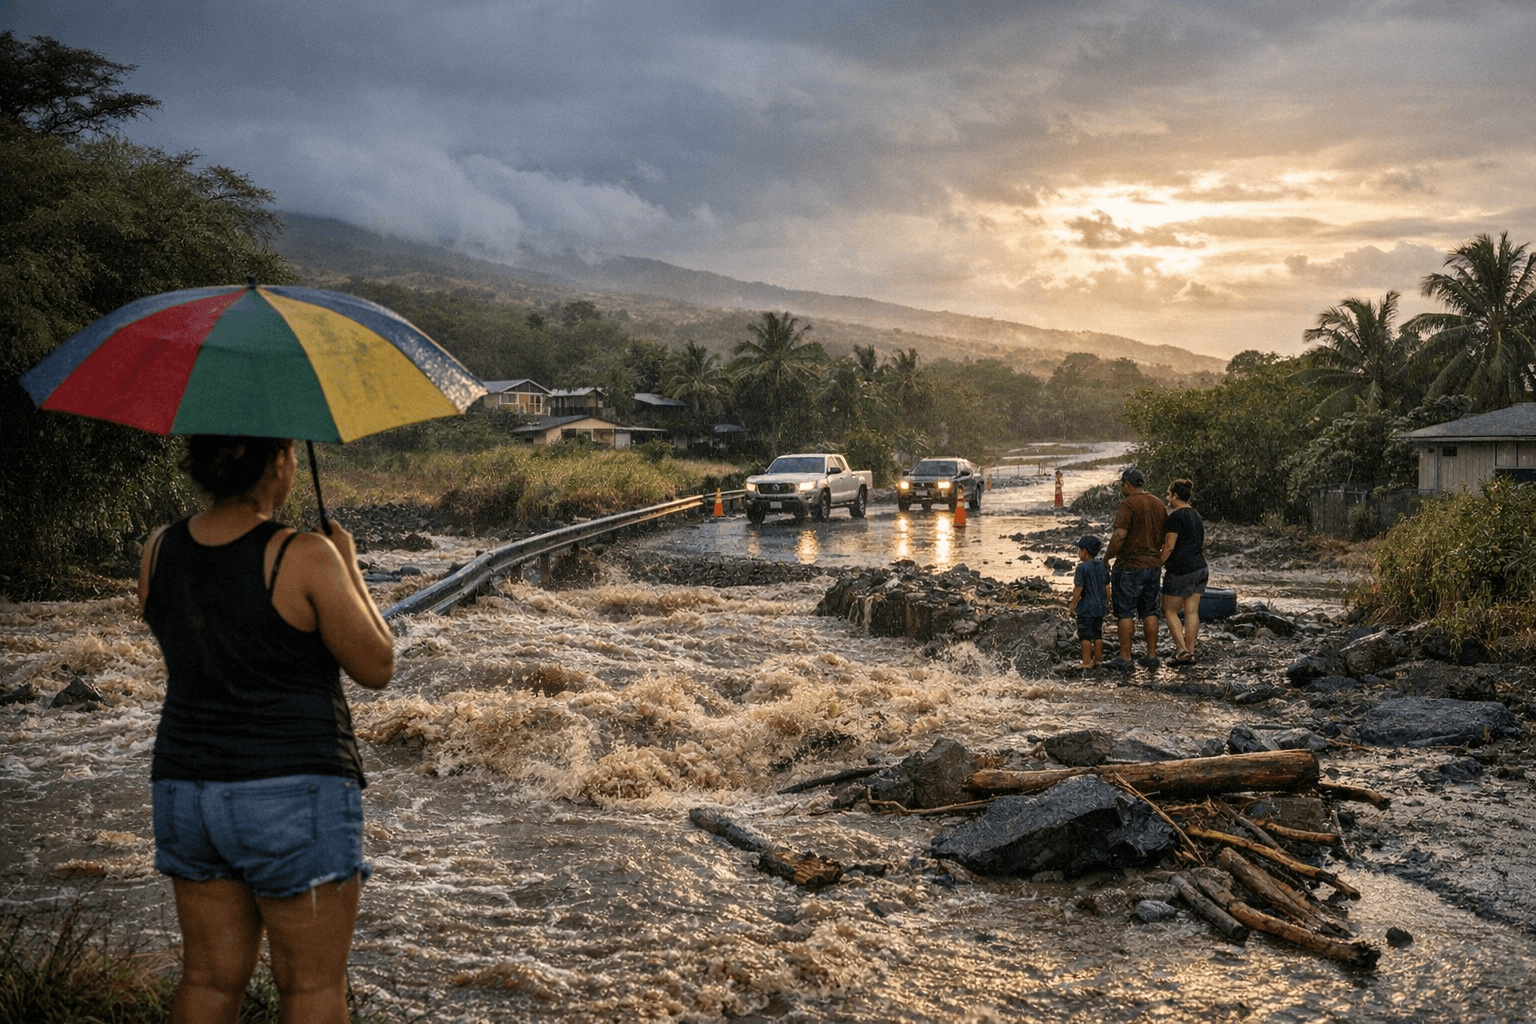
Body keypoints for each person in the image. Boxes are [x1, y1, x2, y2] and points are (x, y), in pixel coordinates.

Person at [138, 436, 395, 1024]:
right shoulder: (301, 554)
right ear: (279, 463)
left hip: (186, 787)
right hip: (292, 791)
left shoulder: (158, 549)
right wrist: (348, 565)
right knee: (309, 988)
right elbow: (376, 665)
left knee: (207, 980)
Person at [1104, 467, 1169, 669]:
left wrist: (1107, 557)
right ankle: (1151, 655)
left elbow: (1119, 536)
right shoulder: (1158, 503)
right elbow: (1164, 536)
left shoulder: (1129, 503)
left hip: (1130, 565)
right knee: (1150, 611)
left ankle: (1125, 658)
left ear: (1127, 485)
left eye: (1122, 485)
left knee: (1125, 612)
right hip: (1153, 565)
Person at [1159, 477, 1208, 664]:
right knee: (1191, 611)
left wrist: (1158, 562)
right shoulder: (1195, 515)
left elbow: (1169, 546)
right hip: (1201, 568)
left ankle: (1181, 650)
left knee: (1169, 610)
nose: (1167, 498)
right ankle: (1190, 652)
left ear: (1175, 496)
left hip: (1181, 570)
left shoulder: (1176, 517)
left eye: (1168, 494)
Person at [1068, 534, 1110, 668]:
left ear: (1084, 551)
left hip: (1086, 607)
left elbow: (1078, 589)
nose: (1078, 553)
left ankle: (1086, 662)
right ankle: (1099, 660)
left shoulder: (1082, 568)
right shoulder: (1102, 566)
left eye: (1079, 550)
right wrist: (1106, 603)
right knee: (1098, 634)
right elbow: (1107, 588)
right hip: (1099, 607)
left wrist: (1072, 605)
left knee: (1085, 635)